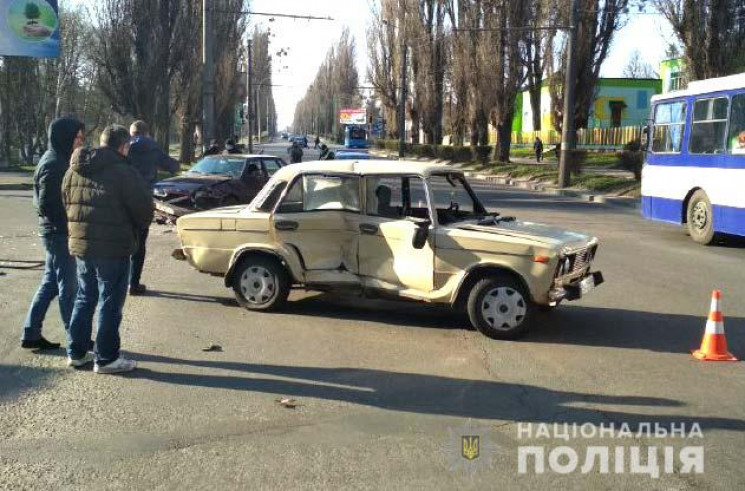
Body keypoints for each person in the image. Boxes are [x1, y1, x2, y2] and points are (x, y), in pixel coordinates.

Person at [62, 125, 154, 373]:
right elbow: (144, 211)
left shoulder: (74, 169)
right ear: (123, 147)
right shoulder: (124, 172)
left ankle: (76, 352)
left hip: (81, 245)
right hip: (113, 248)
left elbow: (66, 202)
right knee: (110, 302)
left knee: (84, 296)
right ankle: (105, 358)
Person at [21, 118, 85, 350]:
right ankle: (76, 341)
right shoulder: (54, 163)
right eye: (77, 137)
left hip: (57, 233)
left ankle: (31, 332)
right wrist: (69, 227)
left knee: (50, 284)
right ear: (65, 137)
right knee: (69, 289)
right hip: (59, 235)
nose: (80, 142)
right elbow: (48, 205)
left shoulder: (59, 159)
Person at [127, 120, 179, 295]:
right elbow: (172, 166)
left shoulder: (124, 147)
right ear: (147, 133)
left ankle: (119, 281)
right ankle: (133, 283)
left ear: (132, 133)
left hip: (124, 199)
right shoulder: (153, 148)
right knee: (140, 243)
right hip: (144, 200)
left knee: (121, 240)